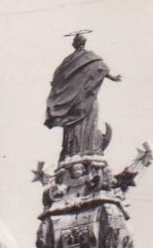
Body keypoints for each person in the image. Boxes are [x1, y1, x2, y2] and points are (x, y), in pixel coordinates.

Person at [44, 32, 123, 160]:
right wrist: (113, 77)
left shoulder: (72, 60)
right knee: (76, 124)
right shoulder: (88, 58)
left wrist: (57, 86)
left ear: (75, 44)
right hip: (82, 99)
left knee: (81, 122)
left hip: (82, 98)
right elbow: (101, 68)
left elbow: (58, 77)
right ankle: (76, 150)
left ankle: (84, 148)